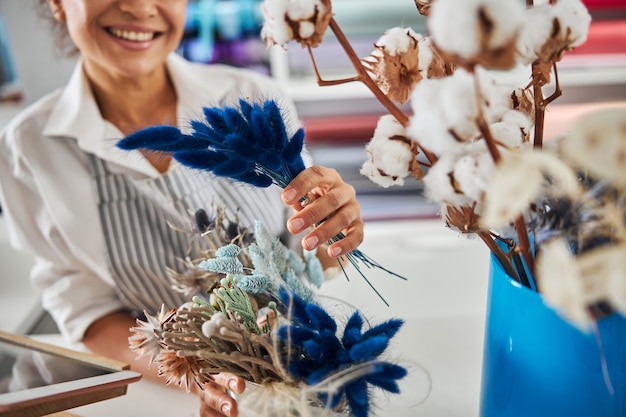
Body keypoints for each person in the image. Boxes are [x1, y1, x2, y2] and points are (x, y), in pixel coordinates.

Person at [0, 1, 364, 416]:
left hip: (306, 374)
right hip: (171, 397)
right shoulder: (26, 149)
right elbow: (88, 312)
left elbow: (308, 254)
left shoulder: (252, 98)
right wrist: (198, 370)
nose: (138, 7)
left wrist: (336, 226)